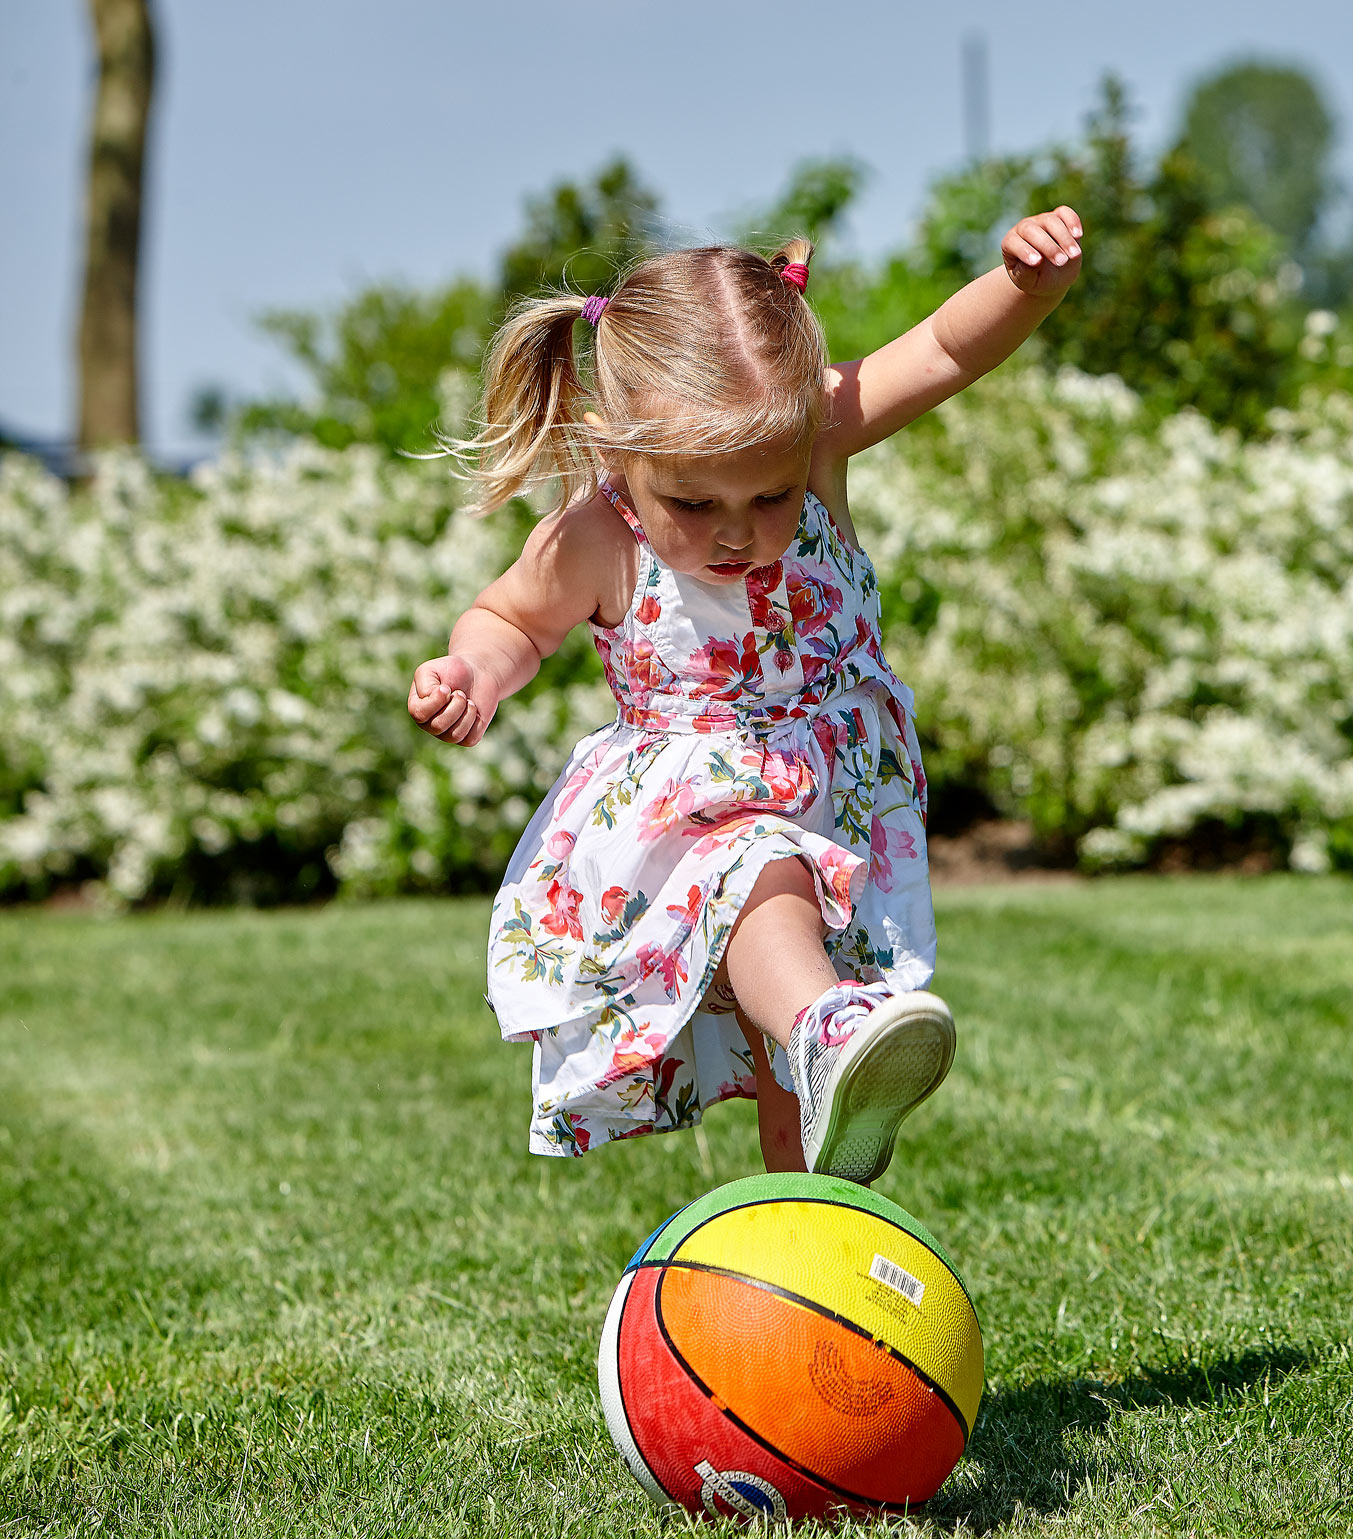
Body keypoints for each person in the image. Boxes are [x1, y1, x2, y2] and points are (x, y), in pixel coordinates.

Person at [406, 207, 1084, 1180]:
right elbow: (515, 621)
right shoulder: (595, 535)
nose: (737, 531)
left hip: (836, 786)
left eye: (767, 498)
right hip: (700, 812)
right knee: (759, 872)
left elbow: (938, 348)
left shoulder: (810, 443)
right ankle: (825, 1023)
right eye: (693, 504)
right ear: (619, 448)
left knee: (798, 1085)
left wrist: (1027, 288)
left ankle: (809, 1195)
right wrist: (473, 670)